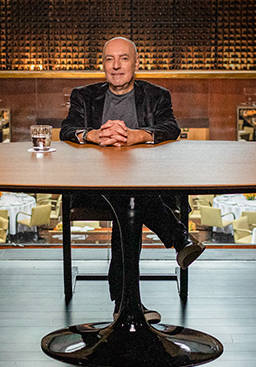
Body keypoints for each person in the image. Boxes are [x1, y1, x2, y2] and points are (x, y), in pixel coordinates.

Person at [60, 37, 206, 322]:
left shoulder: (157, 95)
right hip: (93, 187)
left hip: (143, 185)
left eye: (123, 58)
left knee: (130, 200)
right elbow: (68, 128)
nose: (116, 66)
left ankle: (125, 306)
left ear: (136, 63)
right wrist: (93, 135)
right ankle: (178, 238)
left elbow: (171, 128)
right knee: (131, 201)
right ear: (102, 64)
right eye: (109, 59)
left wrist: (138, 135)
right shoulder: (84, 95)